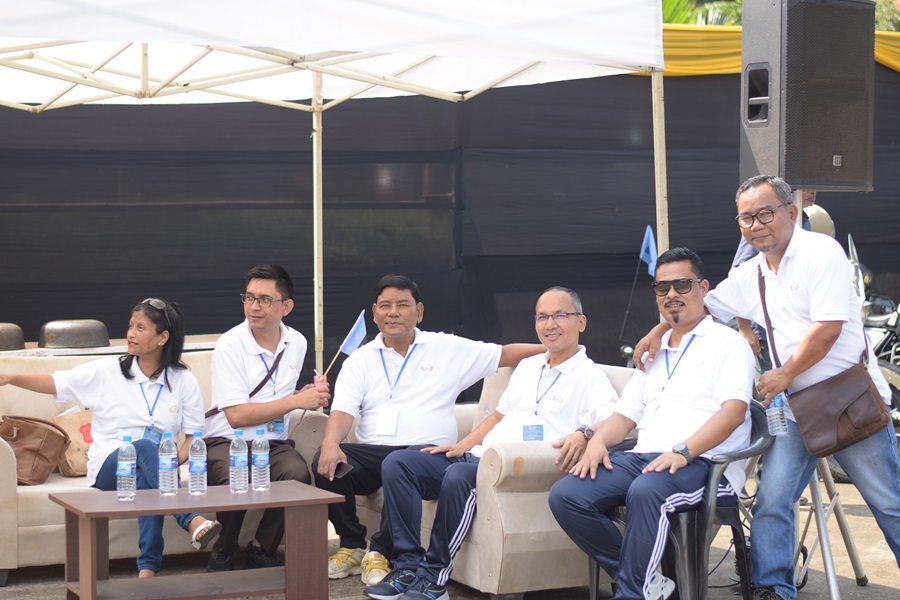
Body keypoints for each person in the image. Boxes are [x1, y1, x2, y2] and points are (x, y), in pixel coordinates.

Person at [636, 176, 900, 600]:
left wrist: (785, 373)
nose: (755, 225)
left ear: (791, 212)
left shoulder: (821, 253)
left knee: (888, 504)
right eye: (746, 218)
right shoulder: (751, 273)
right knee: (772, 501)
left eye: (764, 214)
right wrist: (656, 331)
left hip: (848, 401)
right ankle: (774, 588)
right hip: (794, 409)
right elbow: (701, 306)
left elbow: (828, 328)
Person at [363, 286, 619, 600]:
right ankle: (406, 566)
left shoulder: (590, 376)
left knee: (458, 476)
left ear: (581, 322)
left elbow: (615, 421)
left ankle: (433, 578)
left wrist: (585, 433)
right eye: (542, 317)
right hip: (479, 457)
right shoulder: (530, 366)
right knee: (399, 463)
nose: (550, 324)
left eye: (560, 315)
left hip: (510, 471)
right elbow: (498, 416)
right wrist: (463, 444)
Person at [549, 248, 756, 600]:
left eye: (682, 285)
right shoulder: (652, 353)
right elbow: (623, 416)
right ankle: (651, 585)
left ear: (704, 288)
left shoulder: (729, 344)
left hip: (704, 464)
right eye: (663, 287)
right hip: (645, 458)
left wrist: (684, 451)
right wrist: (597, 441)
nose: (672, 294)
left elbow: (734, 412)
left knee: (647, 491)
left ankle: (633, 592)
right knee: (567, 495)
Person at [314, 274, 545, 586]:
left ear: (419, 311)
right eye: (385, 305)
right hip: (374, 453)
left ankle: (380, 552)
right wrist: (331, 443)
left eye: (402, 305)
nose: (393, 312)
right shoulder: (360, 360)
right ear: (375, 312)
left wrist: (558, 348)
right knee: (325, 461)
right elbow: (343, 411)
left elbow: (505, 354)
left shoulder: (446, 347)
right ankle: (353, 544)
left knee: (401, 462)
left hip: (426, 455)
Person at [0, 298, 220, 578]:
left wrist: (168, 464)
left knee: (147, 481)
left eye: (140, 328)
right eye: (131, 326)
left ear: (163, 337)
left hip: (156, 466)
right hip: (109, 466)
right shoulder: (107, 372)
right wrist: (10, 377)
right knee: (144, 446)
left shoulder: (182, 380)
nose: (130, 334)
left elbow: (194, 437)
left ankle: (148, 571)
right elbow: (55, 382)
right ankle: (190, 519)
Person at [204, 264, 331, 572]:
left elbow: (277, 395)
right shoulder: (230, 345)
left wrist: (303, 394)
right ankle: (225, 548)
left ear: (286, 306)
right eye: (249, 297)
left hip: (273, 441)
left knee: (298, 474)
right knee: (235, 475)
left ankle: (263, 548)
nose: (254, 306)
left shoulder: (297, 342)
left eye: (264, 299)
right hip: (228, 439)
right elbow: (236, 416)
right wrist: (296, 401)